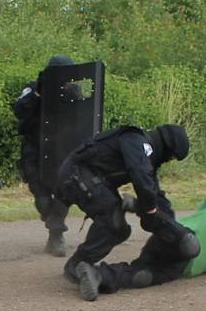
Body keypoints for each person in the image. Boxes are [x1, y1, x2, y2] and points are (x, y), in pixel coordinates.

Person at [75, 167, 206, 301]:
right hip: (176, 237)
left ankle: (97, 275)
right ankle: (143, 207)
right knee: (188, 242)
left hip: (171, 264)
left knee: (141, 276)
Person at [56, 123, 190, 297]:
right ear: (167, 147)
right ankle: (77, 265)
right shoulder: (137, 141)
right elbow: (140, 177)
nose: (168, 160)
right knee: (113, 220)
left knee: (120, 230)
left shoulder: (144, 154)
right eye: (171, 157)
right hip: (76, 174)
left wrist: (173, 230)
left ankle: (82, 266)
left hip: (89, 178)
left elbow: (155, 194)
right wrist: (148, 209)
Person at [13, 55, 72, 256]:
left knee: (63, 195)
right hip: (34, 150)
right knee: (43, 199)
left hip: (61, 149)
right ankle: (54, 228)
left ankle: (56, 236)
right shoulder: (33, 89)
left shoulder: (73, 91)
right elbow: (19, 110)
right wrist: (39, 91)